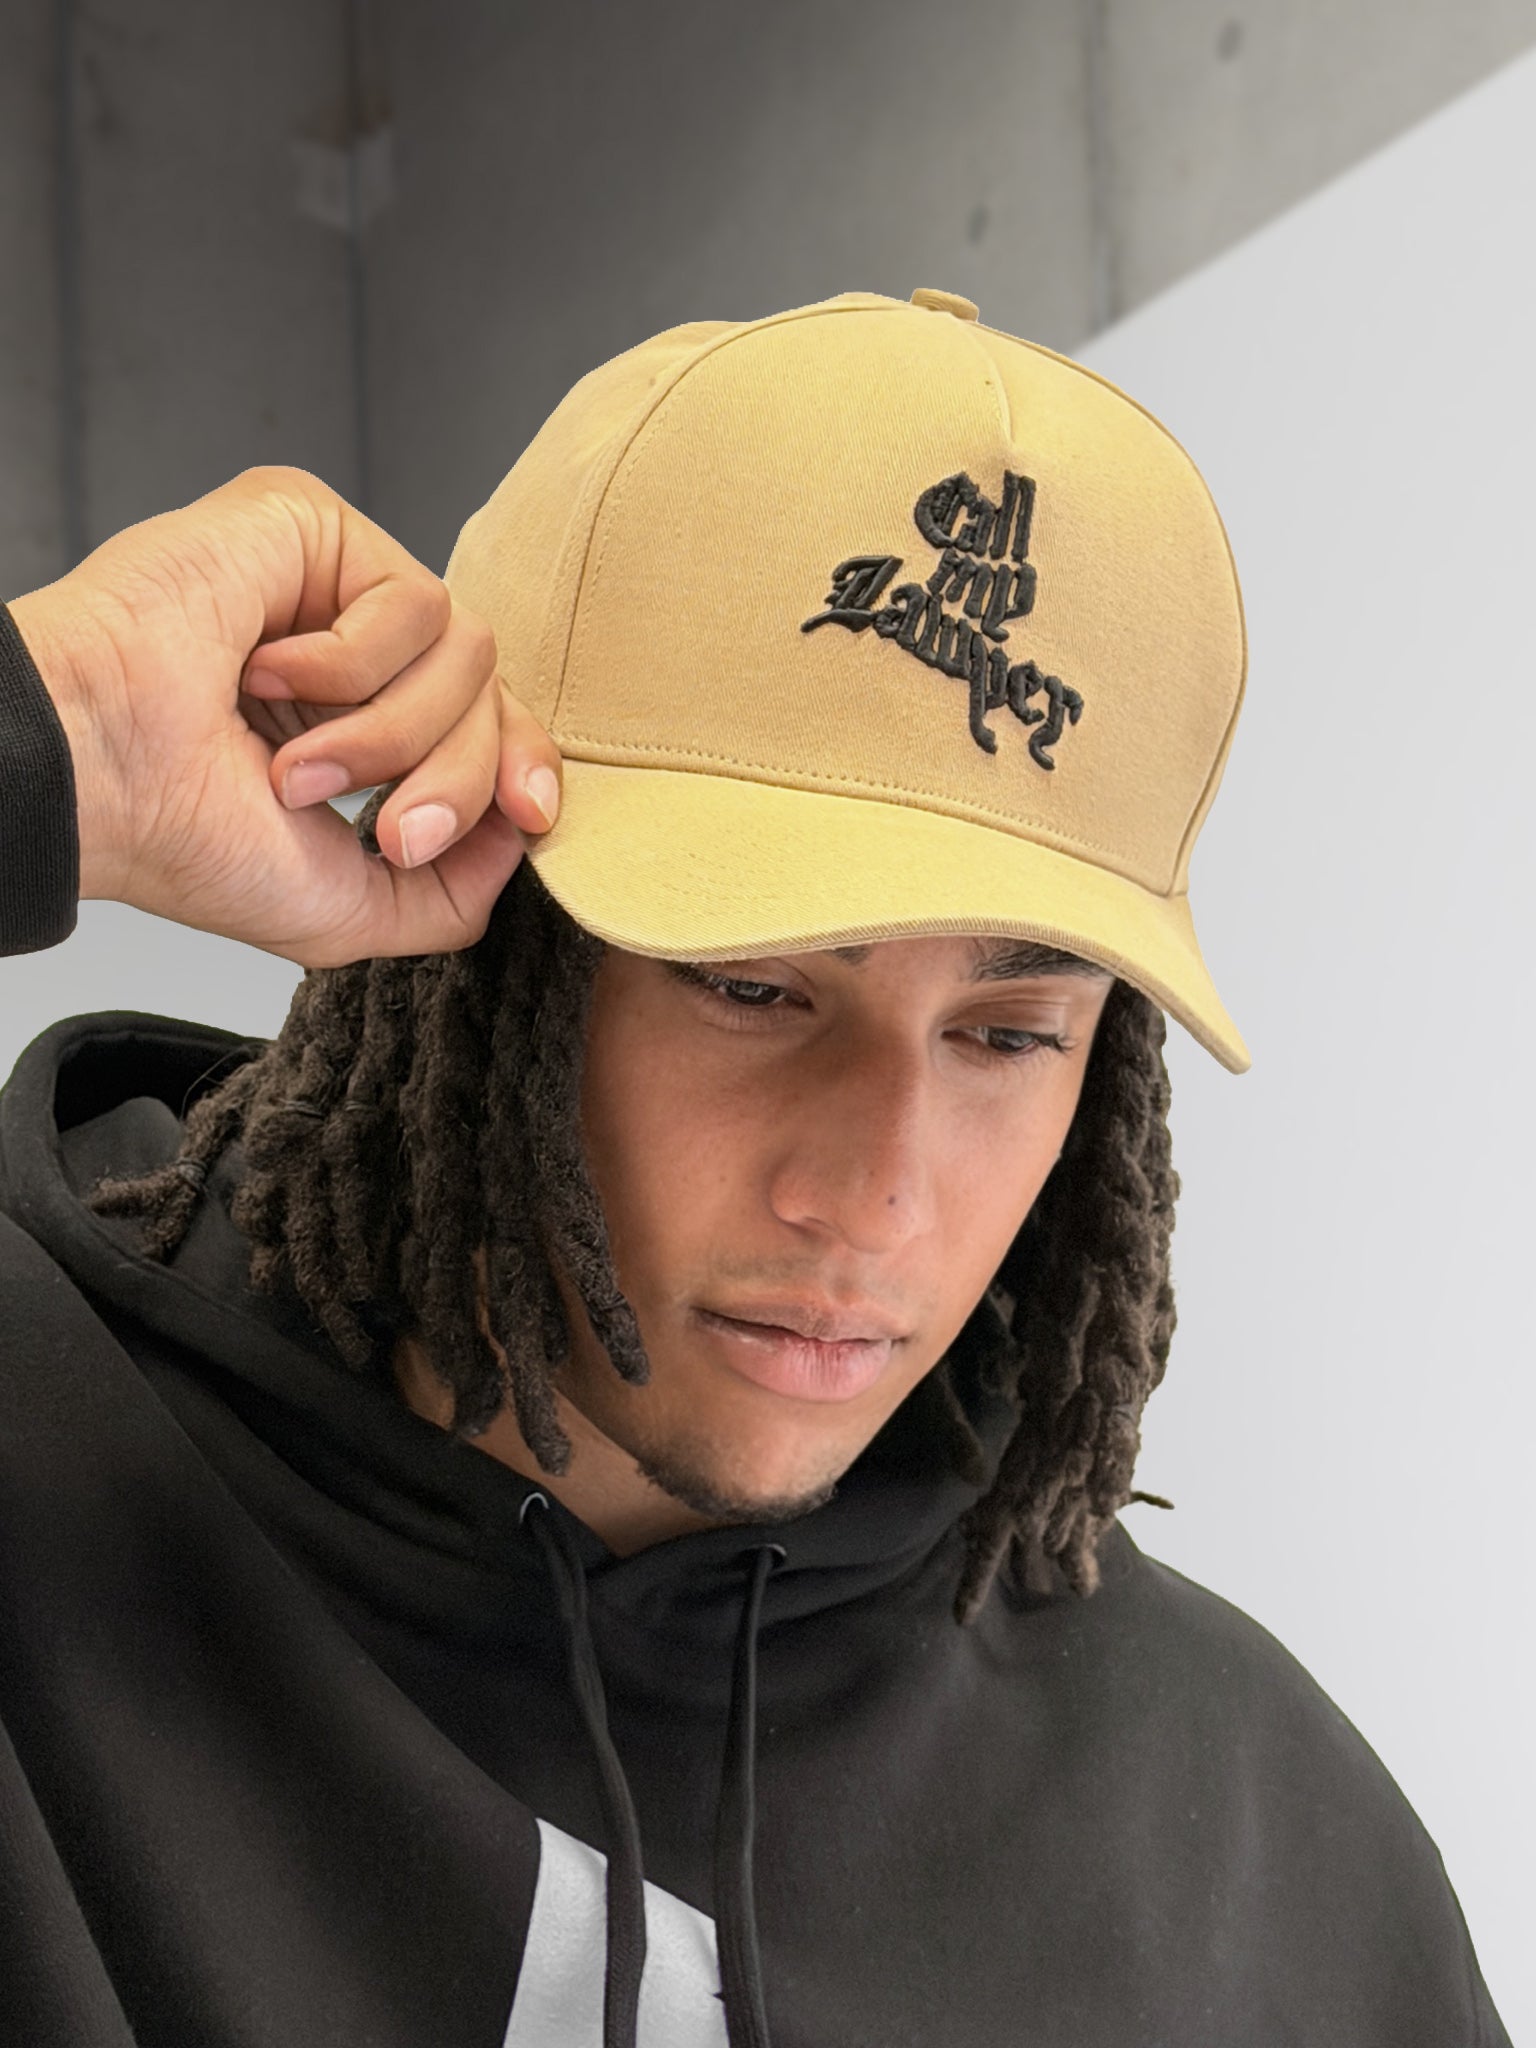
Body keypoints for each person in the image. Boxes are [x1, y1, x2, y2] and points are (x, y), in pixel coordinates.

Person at [0, 287, 1509, 2048]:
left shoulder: (1262, 1853)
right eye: (752, 986)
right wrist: (53, 736)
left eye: (1008, 1034)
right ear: (484, 928)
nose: (875, 1197)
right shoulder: (39, 1486)